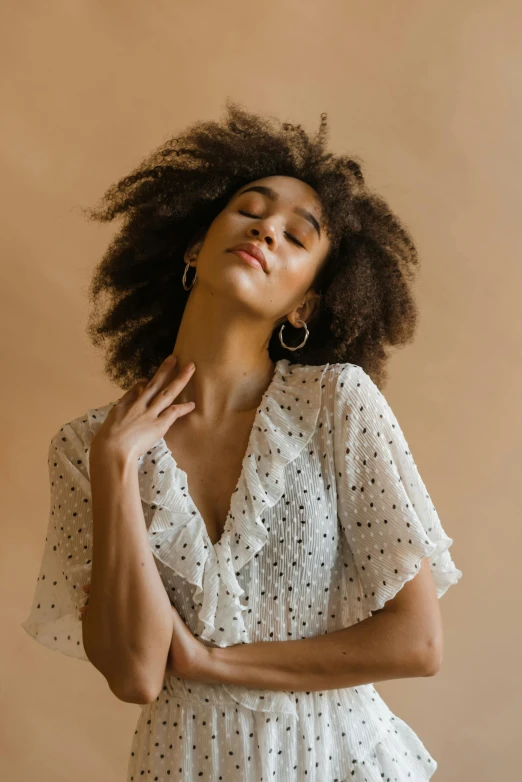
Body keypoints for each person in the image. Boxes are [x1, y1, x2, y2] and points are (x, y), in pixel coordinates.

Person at [21, 100, 463, 781]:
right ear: (195, 247)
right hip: (182, 762)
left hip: (338, 759)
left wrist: (213, 663)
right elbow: (136, 674)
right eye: (249, 211)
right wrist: (116, 466)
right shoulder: (88, 445)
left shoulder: (337, 405)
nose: (266, 230)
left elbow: (417, 641)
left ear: (305, 304)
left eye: (297, 235)